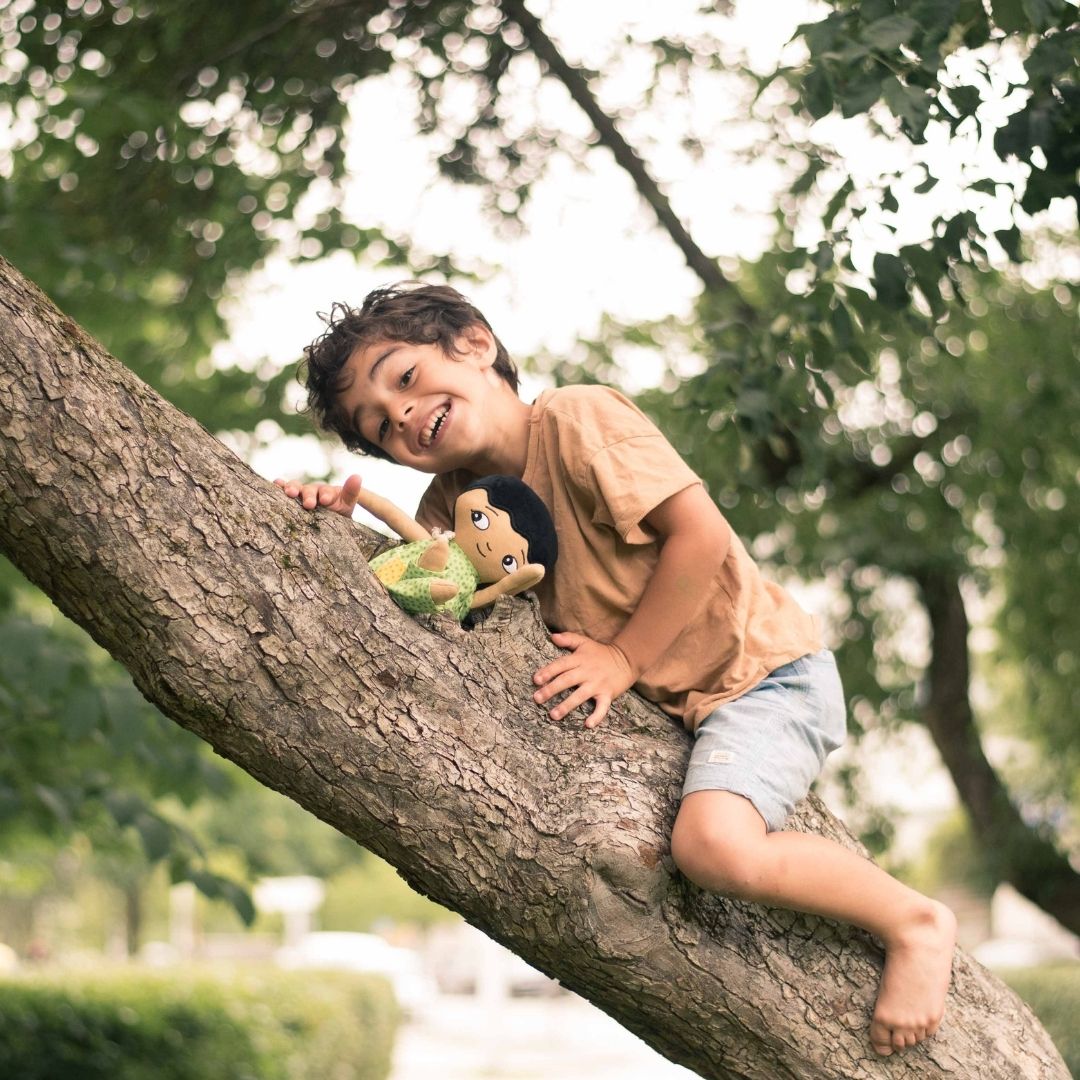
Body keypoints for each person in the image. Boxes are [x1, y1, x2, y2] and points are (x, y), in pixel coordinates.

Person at [276, 282, 957, 1057]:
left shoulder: (576, 417)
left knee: (711, 849)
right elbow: (425, 592)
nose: (399, 416)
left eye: (401, 380)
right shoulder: (451, 506)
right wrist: (329, 524)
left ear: (473, 342)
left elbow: (699, 536)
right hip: (686, 709)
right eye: (377, 427)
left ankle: (914, 919)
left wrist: (625, 658)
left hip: (763, 675)